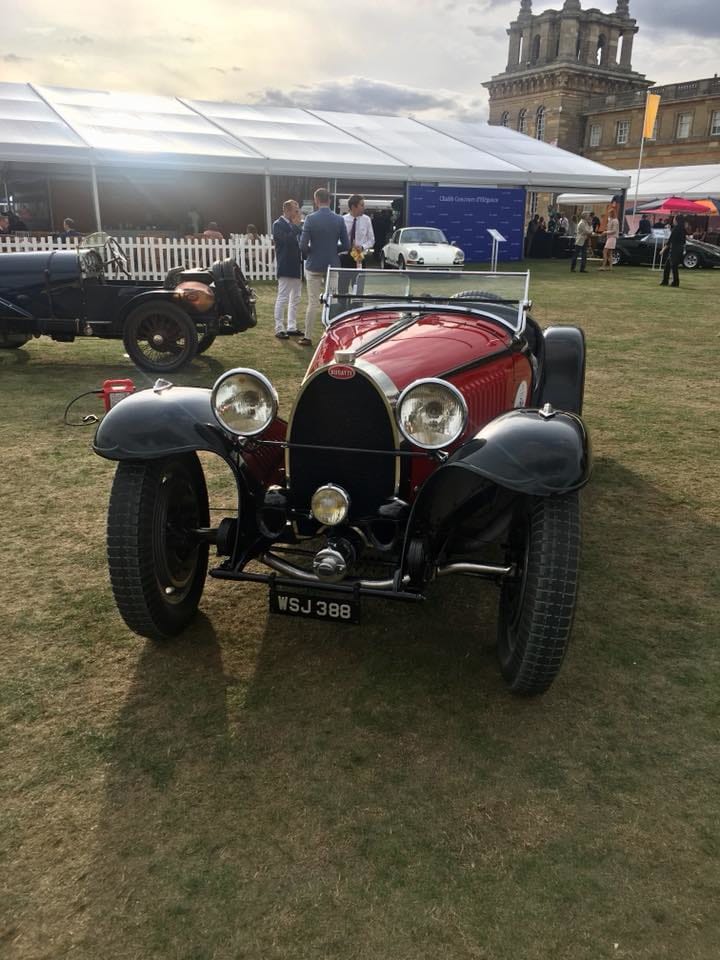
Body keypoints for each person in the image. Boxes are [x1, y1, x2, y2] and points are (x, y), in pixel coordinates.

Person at [299, 187, 349, 347]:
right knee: (332, 301)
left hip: (314, 264)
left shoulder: (310, 219)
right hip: (332, 264)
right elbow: (346, 245)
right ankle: (333, 337)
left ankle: (307, 336)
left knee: (313, 302)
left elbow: (302, 245)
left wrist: (310, 254)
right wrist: (334, 251)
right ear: (329, 200)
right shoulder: (339, 219)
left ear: (316, 200)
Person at [271, 199, 303, 339]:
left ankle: (291, 326)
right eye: (295, 210)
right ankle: (279, 328)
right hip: (285, 264)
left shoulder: (295, 225)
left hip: (296, 264)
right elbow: (287, 241)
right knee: (283, 297)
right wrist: (296, 226)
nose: (297, 213)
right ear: (287, 210)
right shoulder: (278, 224)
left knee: (295, 297)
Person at [339, 194, 374, 292]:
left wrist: (363, 247)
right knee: (342, 287)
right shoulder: (342, 220)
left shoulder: (366, 220)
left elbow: (371, 240)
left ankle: (357, 305)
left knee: (358, 287)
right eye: (361, 205)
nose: (364, 207)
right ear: (353, 207)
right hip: (345, 257)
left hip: (359, 257)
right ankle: (343, 306)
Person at [660, 215, 686, 288]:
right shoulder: (683, 229)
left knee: (673, 266)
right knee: (668, 266)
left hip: (674, 249)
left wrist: (663, 249)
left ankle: (675, 282)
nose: (673, 220)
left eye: (674, 219)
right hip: (679, 249)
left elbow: (670, 240)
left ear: (677, 220)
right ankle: (665, 281)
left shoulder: (676, 229)